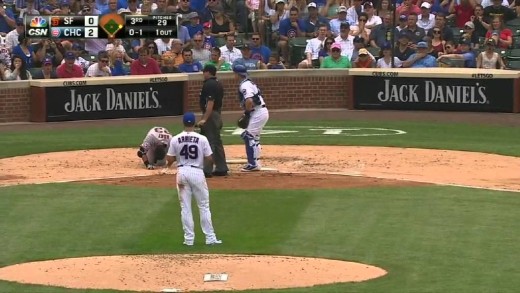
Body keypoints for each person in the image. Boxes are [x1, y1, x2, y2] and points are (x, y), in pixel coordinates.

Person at [164, 112, 222, 246]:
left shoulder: (175, 139)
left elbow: (170, 159)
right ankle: (210, 238)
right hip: (197, 172)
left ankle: (189, 240)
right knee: (204, 206)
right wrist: (206, 168)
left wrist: (171, 163)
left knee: (185, 208)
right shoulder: (202, 139)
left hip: (182, 172)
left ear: (184, 123)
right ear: (194, 123)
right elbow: (209, 158)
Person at [232, 64, 269, 172]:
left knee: (247, 136)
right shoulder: (248, 82)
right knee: (255, 138)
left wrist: (246, 114)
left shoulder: (245, 85)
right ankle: (256, 161)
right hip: (260, 111)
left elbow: (249, 101)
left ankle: (253, 164)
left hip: (258, 112)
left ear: (237, 74)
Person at [196, 64, 229, 177]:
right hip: (216, 114)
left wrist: (204, 119)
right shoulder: (218, 83)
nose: (203, 74)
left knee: (210, 142)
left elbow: (210, 103)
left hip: (211, 115)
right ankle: (221, 167)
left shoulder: (210, 84)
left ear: (208, 72)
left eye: (204, 72)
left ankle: (207, 169)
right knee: (217, 141)